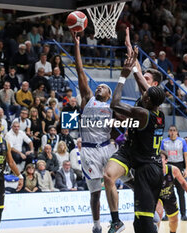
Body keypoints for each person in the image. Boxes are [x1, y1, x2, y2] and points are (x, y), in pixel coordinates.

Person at [104, 29, 163, 233]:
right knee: (109, 175)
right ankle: (116, 221)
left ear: (153, 85)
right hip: (131, 150)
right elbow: (137, 71)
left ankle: (148, 200)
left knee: (144, 222)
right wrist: (130, 50)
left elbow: (135, 78)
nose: (142, 76)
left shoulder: (147, 107)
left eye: (147, 77)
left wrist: (125, 73)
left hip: (146, 161)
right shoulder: (148, 102)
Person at [71, 30, 117, 233]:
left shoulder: (114, 107)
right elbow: (81, 71)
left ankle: (145, 208)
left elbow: (120, 130)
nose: (100, 87)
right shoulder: (87, 99)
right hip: (89, 151)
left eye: (104, 87)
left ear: (109, 94)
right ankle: (97, 225)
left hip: (108, 149)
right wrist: (77, 45)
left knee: (128, 179)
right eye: (98, 86)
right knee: (95, 193)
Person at [159, 151, 187, 233]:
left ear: (166, 160)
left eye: (161, 158)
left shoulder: (173, 170)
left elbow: (183, 183)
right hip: (156, 196)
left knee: (174, 220)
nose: (159, 160)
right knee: (158, 213)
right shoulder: (153, 170)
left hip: (169, 196)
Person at [160, 125, 187, 221]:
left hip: (179, 166)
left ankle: (183, 214)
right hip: (168, 166)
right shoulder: (164, 142)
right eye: (171, 130)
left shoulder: (182, 141)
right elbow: (160, 155)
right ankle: (167, 214)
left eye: (174, 130)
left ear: (177, 132)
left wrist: (186, 168)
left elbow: (186, 155)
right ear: (168, 132)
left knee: (181, 192)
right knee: (167, 192)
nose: (172, 132)